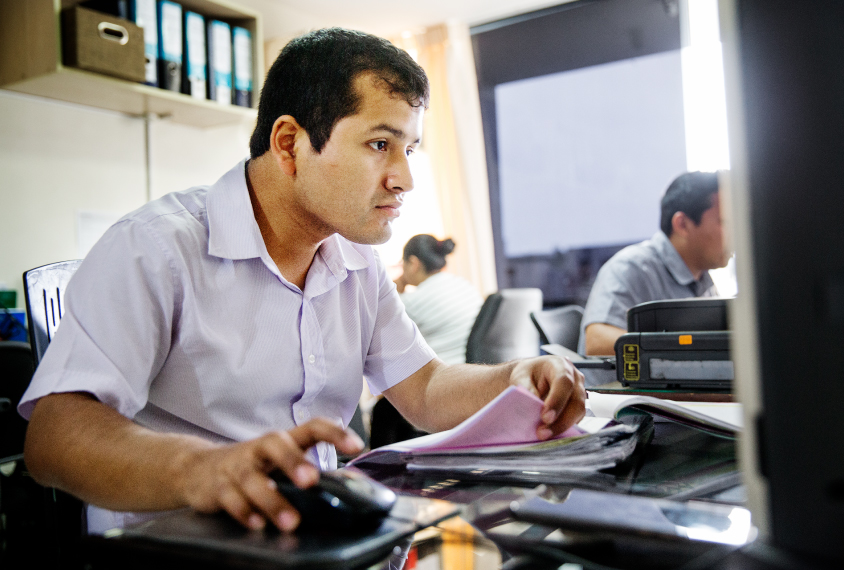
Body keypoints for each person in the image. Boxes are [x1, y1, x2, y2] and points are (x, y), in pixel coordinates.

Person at [19, 28, 585, 535]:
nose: (405, 177)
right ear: (289, 143)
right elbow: (53, 439)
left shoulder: (355, 261)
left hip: (312, 538)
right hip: (180, 546)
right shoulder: (156, 248)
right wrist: (202, 469)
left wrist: (514, 378)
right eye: (380, 144)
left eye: (409, 149)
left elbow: (426, 389)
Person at [579, 171, 730, 356]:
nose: (736, 234)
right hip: (615, 385)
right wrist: (682, 348)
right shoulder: (630, 268)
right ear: (682, 224)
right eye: (725, 222)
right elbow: (595, 342)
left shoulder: (702, 278)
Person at [394, 235, 483, 365]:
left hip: (447, 375)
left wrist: (397, 287)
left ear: (413, 263)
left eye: (403, 263)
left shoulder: (412, 302)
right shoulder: (464, 284)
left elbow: (390, 339)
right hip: (476, 369)